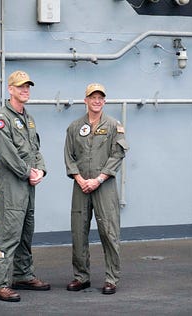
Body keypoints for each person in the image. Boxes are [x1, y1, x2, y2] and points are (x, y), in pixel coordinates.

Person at [0, 70, 50, 302]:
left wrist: (41, 170)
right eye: (21, 86)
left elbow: (35, 149)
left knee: (25, 231)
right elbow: (7, 154)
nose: (25, 90)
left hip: (28, 184)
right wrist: (28, 172)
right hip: (13, 184)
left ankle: (23, 275)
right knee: (8, 232)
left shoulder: (27, 118)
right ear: (10, 89)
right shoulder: (1, 118)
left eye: (28, 86)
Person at [64, 83, 129, 295]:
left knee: (109, 232)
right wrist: (80, 179)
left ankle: (111, 278)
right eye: (93, 97)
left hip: (104, 187)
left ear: (104, 101)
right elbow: (69, 156)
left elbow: (117, 155)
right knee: (79, 232)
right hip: (80, 186)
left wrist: (98, 179)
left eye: (101, 97)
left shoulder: (113, 126)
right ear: (86, 100)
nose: (97, 101)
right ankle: (81, 277)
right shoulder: (74, 128)